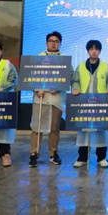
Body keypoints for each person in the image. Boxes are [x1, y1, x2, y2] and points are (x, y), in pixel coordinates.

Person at [71, 40, 108, 168]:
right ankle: (82, 158)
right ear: (88, 51)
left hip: (100, 103)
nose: (94, 51)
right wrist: (75, 89)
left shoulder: (106, 66)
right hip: (84, 103)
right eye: (91, 49)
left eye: (96, 49)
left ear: (99, 51)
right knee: (83, 131)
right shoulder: (80, 67)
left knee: (101, 131)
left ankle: (102, 158)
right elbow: (75, 81)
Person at [29, 32, 64, 168]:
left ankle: (53, 153)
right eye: (51, 41)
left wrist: (59, 88)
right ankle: (34, 154)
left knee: (54, 128)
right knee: (37, 128)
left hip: (56, 99)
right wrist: (36, 89)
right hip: (40, 98)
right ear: (46, 43)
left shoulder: (64, 60)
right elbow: (30, 77)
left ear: (60, 43)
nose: (53, 43)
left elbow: (69, 77)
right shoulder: (38, 58)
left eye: (56, 41)